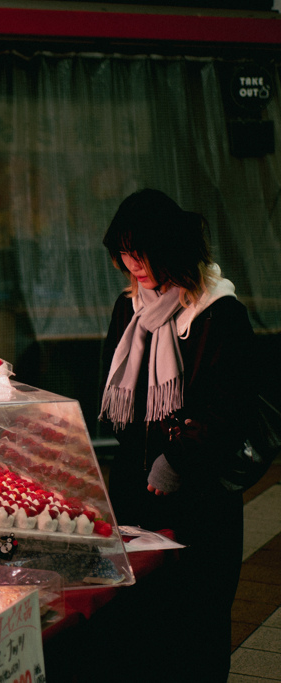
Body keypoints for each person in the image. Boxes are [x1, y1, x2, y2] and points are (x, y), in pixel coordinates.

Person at [98, 188, 256, 681]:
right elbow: (112, 388)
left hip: (198, 504)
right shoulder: (129, 310)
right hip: (135, 495)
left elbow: (229, 408)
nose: (133, 263)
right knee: (141, 625)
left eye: (142, 251)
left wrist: (175, 462)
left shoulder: (218, 312)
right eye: (124, 252)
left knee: (196, 625)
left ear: (172, 247)